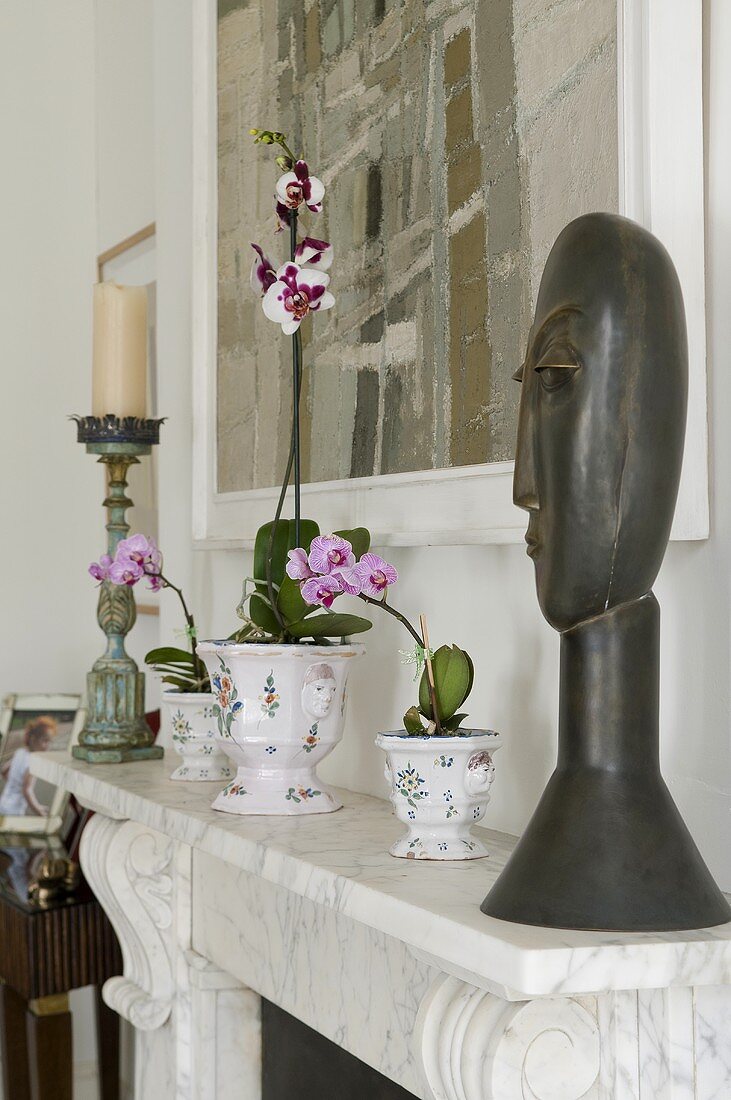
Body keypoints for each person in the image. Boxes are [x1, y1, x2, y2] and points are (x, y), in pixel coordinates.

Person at [0, 715, 57, 817]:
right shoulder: (33, 762)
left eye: (49, 741)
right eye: (45, 741)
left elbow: (4, 771)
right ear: (33, 739)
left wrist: (15, 781)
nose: (47, 746)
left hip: (3, 804)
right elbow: (27, 791)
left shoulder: (19, 752)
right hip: (15, 810)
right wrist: (39, 811)